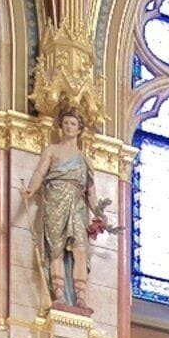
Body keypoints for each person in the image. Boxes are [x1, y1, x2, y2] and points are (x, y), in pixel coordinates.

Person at [20, 110, 107, 313]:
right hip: (55, 202)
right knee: (56, 249)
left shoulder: (84, 160)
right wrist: (31, 189)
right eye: (66, 123)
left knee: (80, 250)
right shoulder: (52, 150)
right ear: (61, 126)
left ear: (79, 129)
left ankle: (81, 298)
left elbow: (91, 193)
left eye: (73, 124)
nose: (68, 127)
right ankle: (58, 294)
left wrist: (100, 213)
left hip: (77, 206)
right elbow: (40, 172)